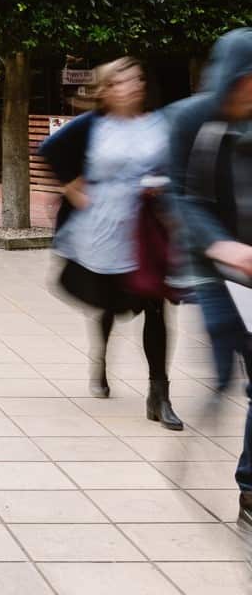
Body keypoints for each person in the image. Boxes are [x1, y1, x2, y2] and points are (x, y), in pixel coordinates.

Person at [38, 57, 183, 430]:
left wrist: (164, 190)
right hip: (101, 229)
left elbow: (174, 165)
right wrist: (72, 188)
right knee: (109, 303)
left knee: (155, 304)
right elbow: (50, 149)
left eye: (137, 79)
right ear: (105, 90)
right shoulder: (93, 125)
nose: (133, 86)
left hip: (144, 229)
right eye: (122, 81)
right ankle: (100, 358)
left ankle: (159, 394)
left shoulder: (156, 124)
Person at [166, 28, 252, 532]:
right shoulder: (191, 119)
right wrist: (222, 245)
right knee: (224, 367)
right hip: (212, 267)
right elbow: (179, 195)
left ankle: (249, 488)